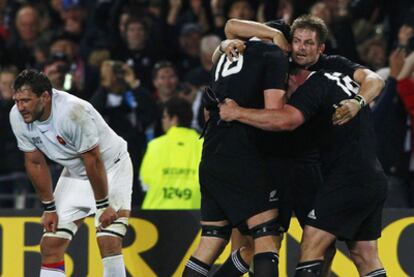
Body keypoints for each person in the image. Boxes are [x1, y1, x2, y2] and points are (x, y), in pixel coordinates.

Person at [219, 66, 388, 277]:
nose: (301, 47)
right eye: (296, 40)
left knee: (321, 246)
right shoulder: (264, 57)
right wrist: (227, 45)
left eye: (308, 42)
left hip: (311, 168)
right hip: (268, 166)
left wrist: (358, 101)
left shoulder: (326, 70)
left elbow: (287, 121)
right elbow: (230, 34)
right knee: (256, 245)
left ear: (320, 48)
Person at [182, 22, 289, 277]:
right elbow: (274, 113)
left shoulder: (226, 56)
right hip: (244, 153)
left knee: (212, 239)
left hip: (211, 154)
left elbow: (230, 26)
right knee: (266, 234)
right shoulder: (273, 55)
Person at [9, 69, 132, 277]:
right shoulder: (18, 116)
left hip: (110, 167)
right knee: (51, 245)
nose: (20, 107)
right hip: (76, 171)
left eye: (26, 101)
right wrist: (49, 207)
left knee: (109, 240)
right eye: (17, 100)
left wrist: (103, 205)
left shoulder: (73, 112)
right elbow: (35, 162)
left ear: (45, 97)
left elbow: (93, 159)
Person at [140, 97, 203, 209]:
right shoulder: (204, 145)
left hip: (157, 215)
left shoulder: (155, 145)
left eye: (164, 117)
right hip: (195, 213)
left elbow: (145, 183)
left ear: (174, 119)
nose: (162, 121)